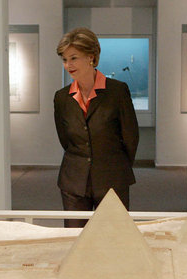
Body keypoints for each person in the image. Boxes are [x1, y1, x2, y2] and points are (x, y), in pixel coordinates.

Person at [54, 27, 139, 228]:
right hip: (74, 180)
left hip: (112, 178)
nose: (68, 65)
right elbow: (65, 140)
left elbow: (131, 137)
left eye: (73, 58)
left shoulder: (117, 91)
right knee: (76, 242)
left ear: (91, 57)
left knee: (112, 241)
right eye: (64, 59)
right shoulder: (61, 97)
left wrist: (116, 166)